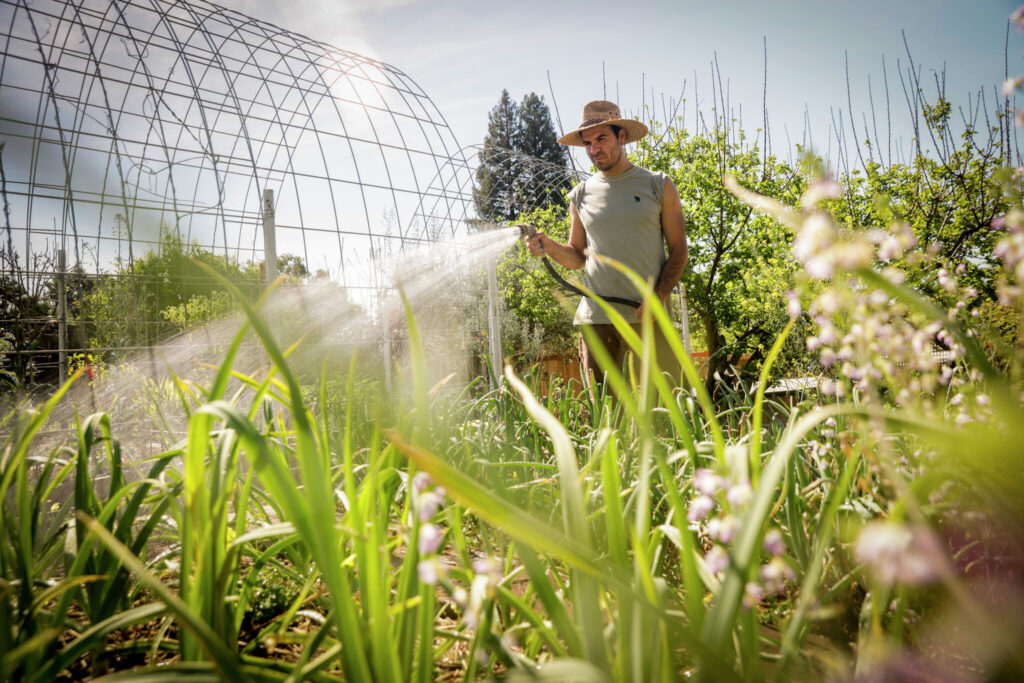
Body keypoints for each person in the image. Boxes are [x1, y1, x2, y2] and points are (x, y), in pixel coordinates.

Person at [525, 100, 688, 384]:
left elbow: (679, 250)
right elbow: (577, 256)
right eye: (587, 143)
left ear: (621, 136)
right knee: (606, 415)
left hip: (647, 319)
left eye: (601, 139)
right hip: (597, 320)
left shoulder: (657, 184)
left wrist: (659, 295)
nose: (593, 149)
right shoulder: (581, 194)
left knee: (663, 411)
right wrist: (549, 246)